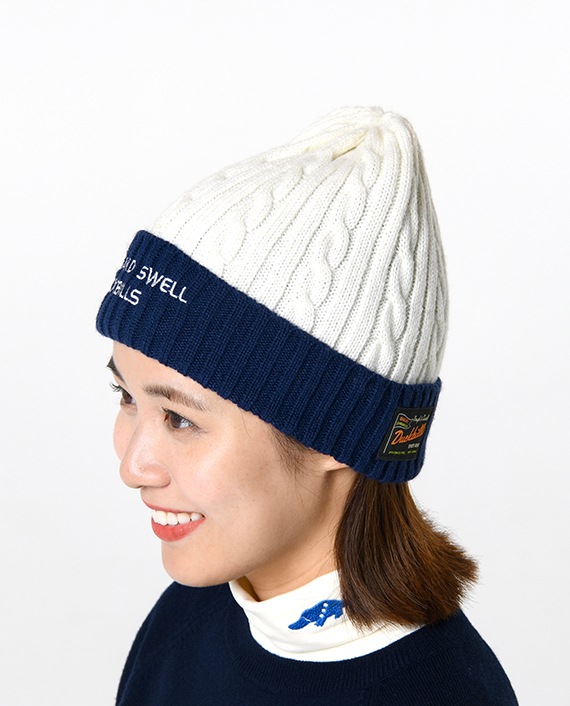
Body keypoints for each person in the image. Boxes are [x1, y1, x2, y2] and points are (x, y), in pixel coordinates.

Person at [97, 107, 518, 704]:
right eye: (125, 396)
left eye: (180, 419)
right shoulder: (187, 620)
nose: (133, 466)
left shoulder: (442, 693)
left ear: (335, 432)